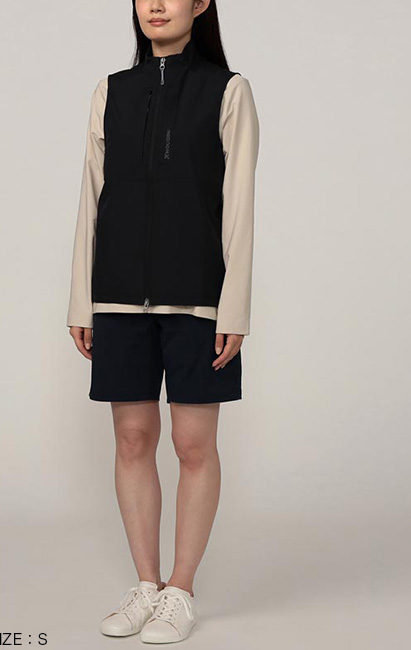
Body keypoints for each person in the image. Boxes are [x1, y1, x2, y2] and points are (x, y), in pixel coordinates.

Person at [66, 0, 259, 643]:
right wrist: (82, 300)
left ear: (200, 4)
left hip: (198, 299)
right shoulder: (111, 92)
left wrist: (233, 306)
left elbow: (239, 204)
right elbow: (92, 195)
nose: (155, 4)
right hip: (119, 297)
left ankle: (181, 590)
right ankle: (146, 586)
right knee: (131, 439)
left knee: (193, 445)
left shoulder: (228, 91)